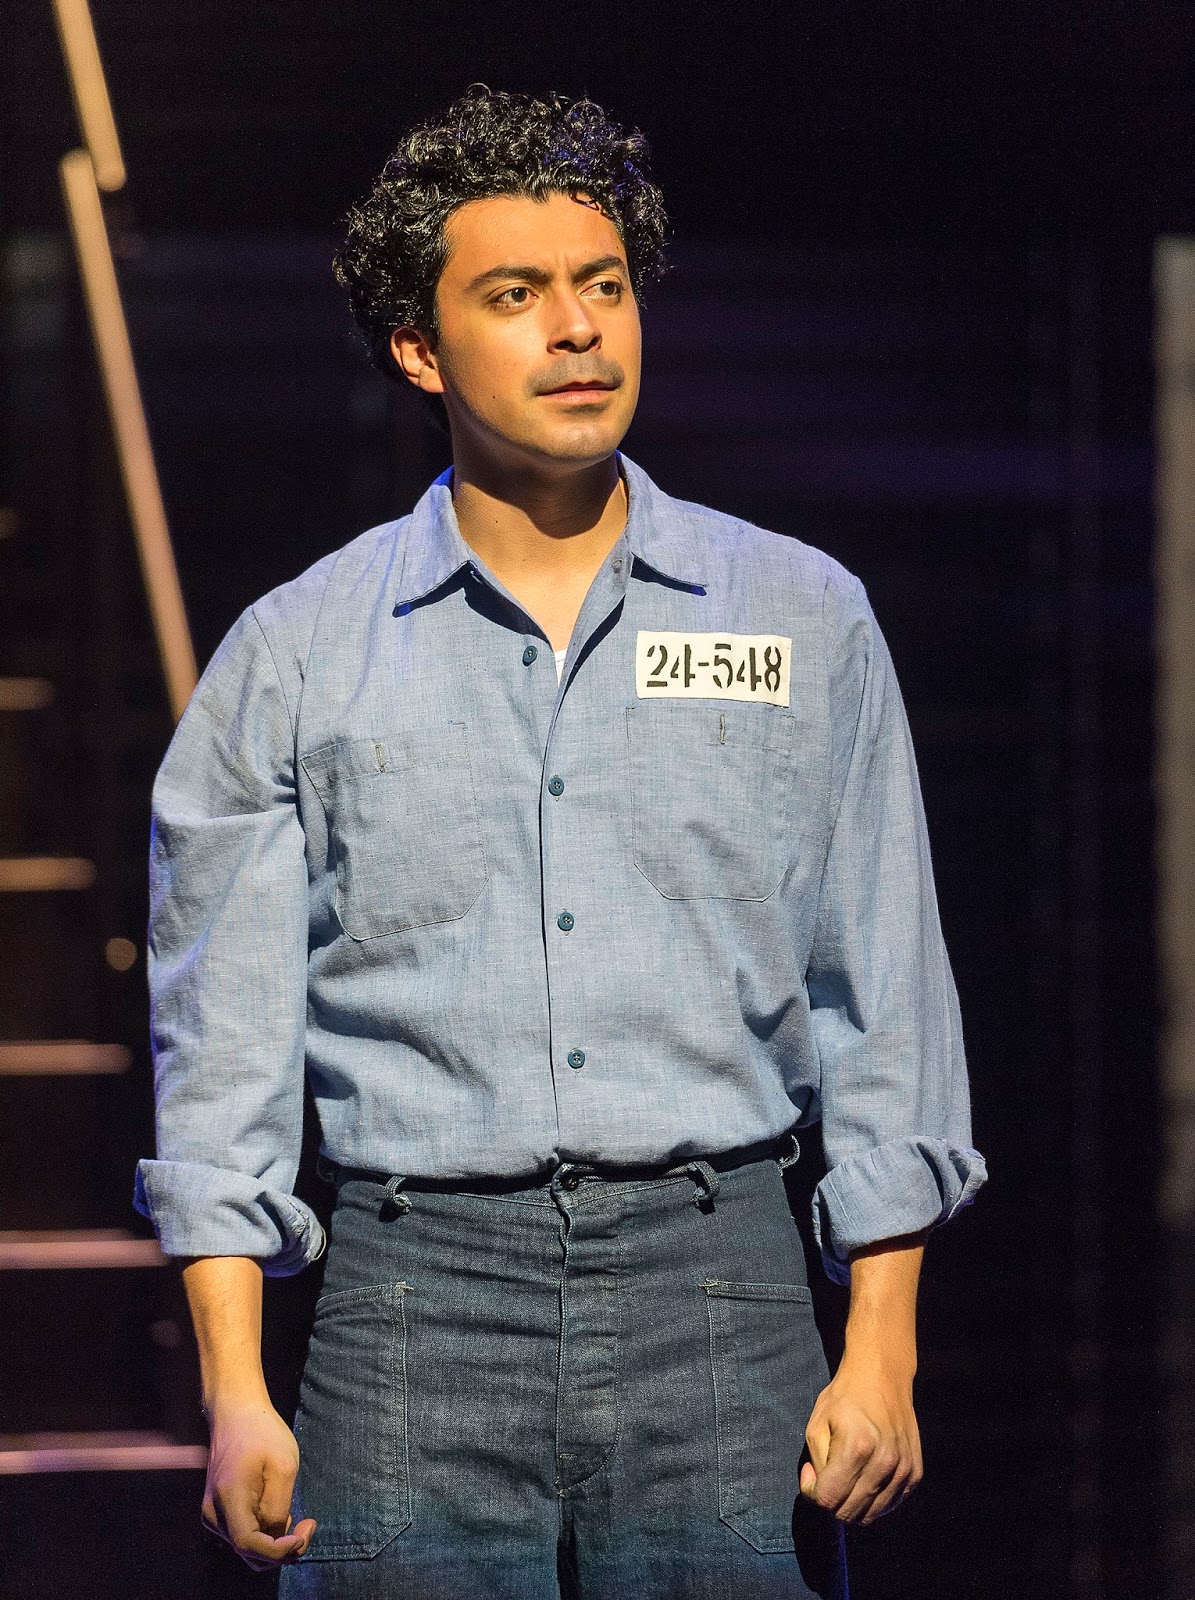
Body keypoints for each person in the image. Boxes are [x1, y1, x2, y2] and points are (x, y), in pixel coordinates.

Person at [133, 86, 986, 1600]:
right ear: (420, 348)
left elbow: (885, 995)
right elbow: (224, 1052)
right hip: (414, 1302)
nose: (579, 329)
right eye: (516, 295)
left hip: (718, 1291)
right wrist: (235, 1385)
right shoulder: (298, 652)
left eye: (604, 286)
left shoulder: (800, 616)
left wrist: (883, 1346)